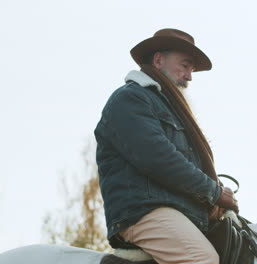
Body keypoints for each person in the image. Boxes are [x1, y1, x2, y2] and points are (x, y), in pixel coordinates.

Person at [94, 28, 239, 264]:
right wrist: (214, 193)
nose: (189, 75)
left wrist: (218, 194)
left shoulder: (170, 109)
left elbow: (186, 165)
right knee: (202, 259)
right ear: (159, 60)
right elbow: (160, 159)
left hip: (177, 211)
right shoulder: (130, 98)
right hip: (143, 211)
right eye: (185, 64)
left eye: (191, 68)